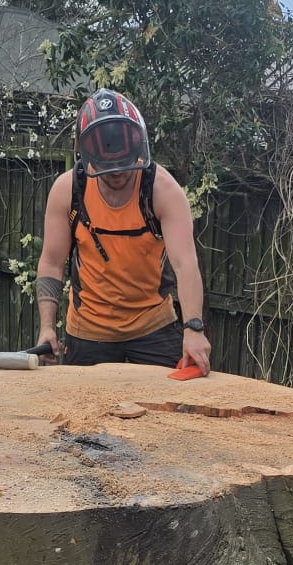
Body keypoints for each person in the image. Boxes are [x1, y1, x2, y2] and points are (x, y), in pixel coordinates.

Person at [35, 89, 213, 376]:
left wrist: (193, 327)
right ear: (88, 157)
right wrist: (46, 327)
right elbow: (51, 263)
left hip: (153, 322)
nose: (117, 173)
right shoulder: (68, 190)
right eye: (107, 168)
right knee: (81, 415)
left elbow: (185, 264)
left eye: (124, 165)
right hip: (88, 327)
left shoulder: (162, 191)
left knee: (168, 412)